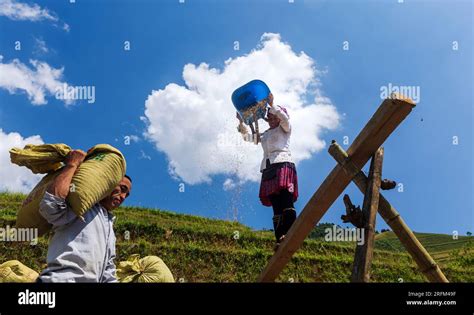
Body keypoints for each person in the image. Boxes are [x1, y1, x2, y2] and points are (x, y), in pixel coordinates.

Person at [36, 149, 132, 282]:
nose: (122, 197)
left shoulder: (109, 225)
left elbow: (107, 271)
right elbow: (51, 206)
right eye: (122, 189)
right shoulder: (81, 206)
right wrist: (72, 165)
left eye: (126, 195)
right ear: (109, 183)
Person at [237, 93, 298, 249]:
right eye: (269, 118)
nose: (271, 121)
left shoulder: (285, 128)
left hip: (283, 163)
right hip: (268, 168)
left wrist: (272, 105)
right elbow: (249, 138)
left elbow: (284, 118)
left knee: (286, 201)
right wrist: (241, 124)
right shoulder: (265, 134)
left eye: (273, 118)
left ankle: (290, 232)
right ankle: (279, 238)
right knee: (276, 206)